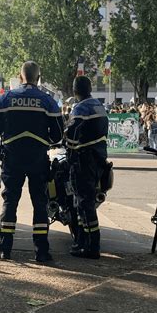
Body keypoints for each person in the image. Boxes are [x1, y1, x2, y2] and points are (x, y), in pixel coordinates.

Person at [0, 61, 63, 262]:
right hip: (37, 158)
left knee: (10, 201)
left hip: (12, 157)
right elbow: (58, 135)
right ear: (38, 78)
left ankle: (5, 248)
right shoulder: (48, 101)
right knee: (40, 204)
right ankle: (41, 252)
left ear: (20, 76)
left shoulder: (5, 99)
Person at [65, 76, 109, 259]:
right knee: (86, 203)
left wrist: (65, 138)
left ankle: (92, 246)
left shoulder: (80, 108)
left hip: (83, 160)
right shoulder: (99, 106)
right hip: (99, 159)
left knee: (84, 203)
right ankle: (82, 242)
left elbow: (72, 138)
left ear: (75, 92)